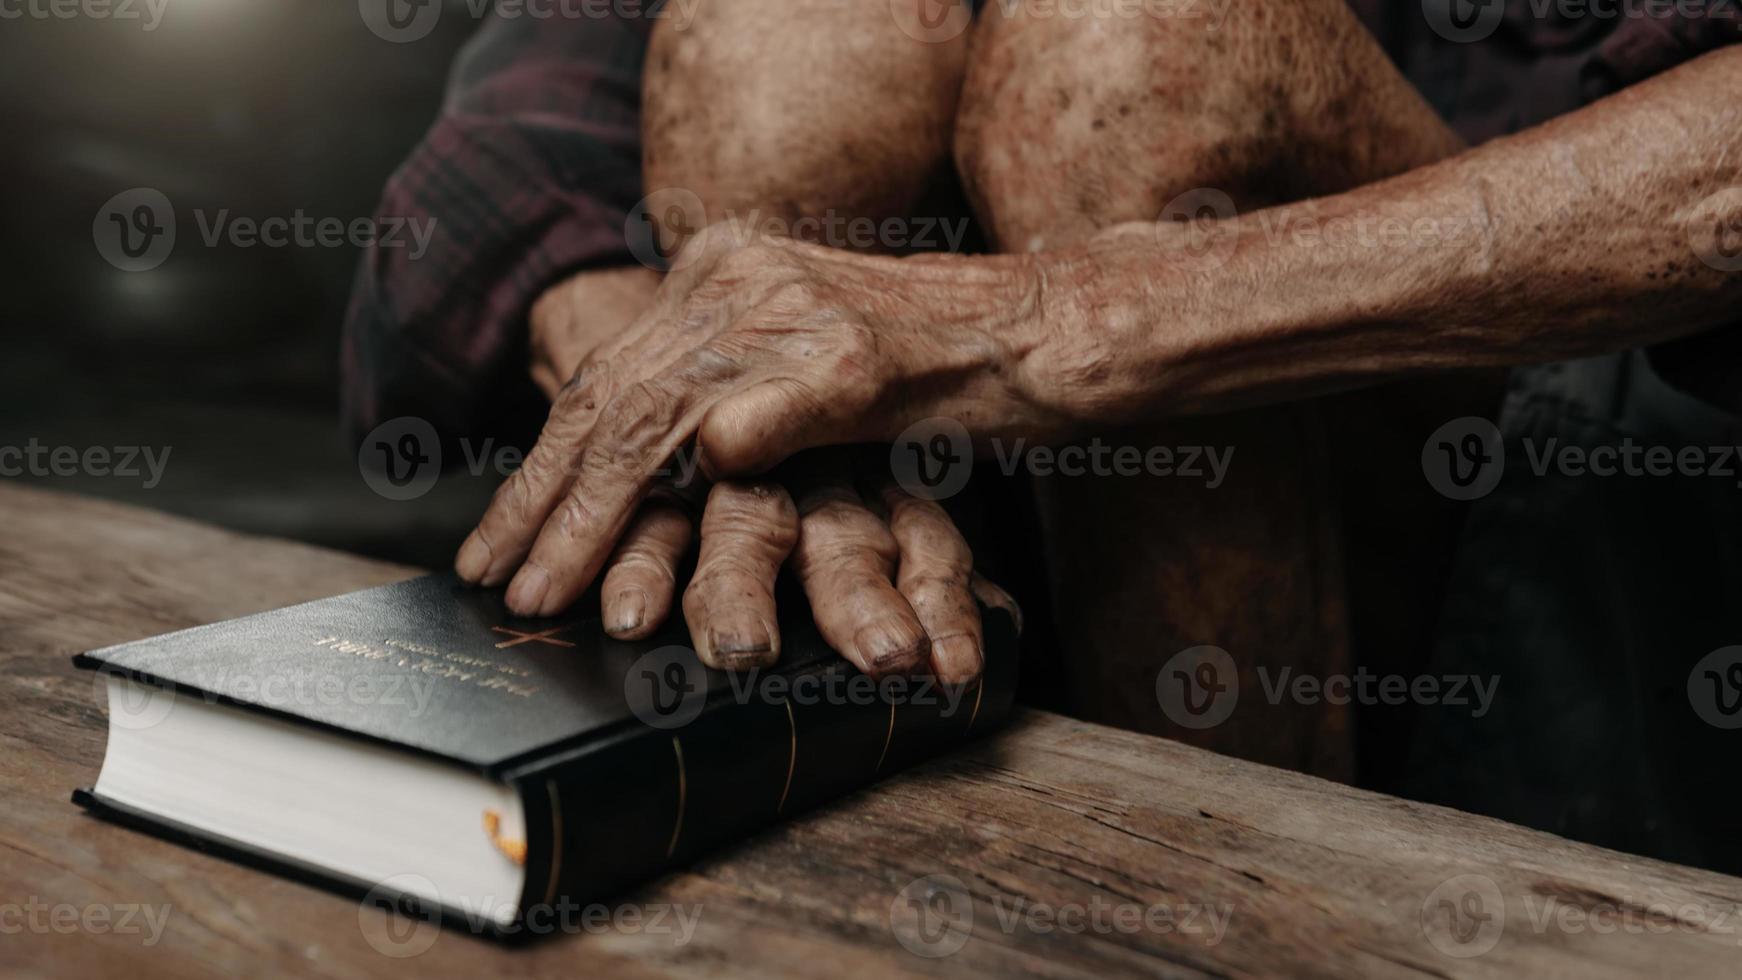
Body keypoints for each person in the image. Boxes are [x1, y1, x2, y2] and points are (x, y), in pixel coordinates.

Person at [347, 0, 1742, 859]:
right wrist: (718, 413)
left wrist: (1033, 325)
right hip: (961, 541)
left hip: (1563, 517)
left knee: (1137, 42)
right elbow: (498, 171)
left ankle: (1220, 899)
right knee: (792, 32)